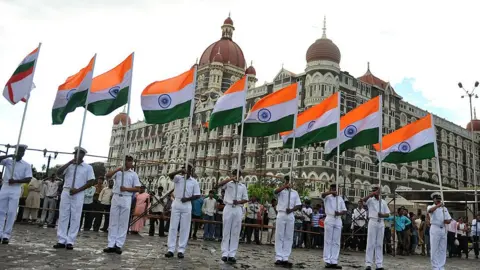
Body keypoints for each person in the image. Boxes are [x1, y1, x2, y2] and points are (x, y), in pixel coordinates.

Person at [54, 147, 95, 250]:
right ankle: (61, 240)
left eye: (78, 154)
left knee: (75, 216)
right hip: (66, 191)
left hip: (78, 193)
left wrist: (78, 190)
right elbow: (58, 172)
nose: (76, 156)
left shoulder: (88, 167)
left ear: (82, 155)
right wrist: (69, 163)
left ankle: (70, 241)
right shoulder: (69, 165)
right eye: (75, 154)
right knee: (63, 215)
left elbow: (91, 182)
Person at [103, 155, 141, 254]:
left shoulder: (133, 174)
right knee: (113, 221)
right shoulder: (118, 172)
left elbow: (137, 188)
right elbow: (107, 176)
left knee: (123, 222)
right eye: (127, 161)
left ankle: (119, 244)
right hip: (116, 196)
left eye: (130, 161)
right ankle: (111, 244)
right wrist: (117, 170)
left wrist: (126, 189)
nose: (129, 163)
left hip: (126, 197)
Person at [165, 163, 201, 259]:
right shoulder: (178, 178)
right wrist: (180, 172)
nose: (187, 170)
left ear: (191, 171)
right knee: (173, 227)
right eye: (185, 168)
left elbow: (198, 195)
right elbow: (170, 175)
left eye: (189, 169)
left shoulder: (194, 181)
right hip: (177, 202)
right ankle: (171, 249)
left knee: (185, 227)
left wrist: (188, 199)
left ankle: (181, 250)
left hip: (186, 204)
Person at [0, 145, 32, 244]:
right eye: (18, 151)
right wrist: (9, 155)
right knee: (1, 211)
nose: (20, 153)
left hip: (16, 187)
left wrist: (16, 181)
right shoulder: (8, 161)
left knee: (11, 212)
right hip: (5, 186)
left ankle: (6, 235)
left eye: (22, 152)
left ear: (24, 153)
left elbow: (28, 178)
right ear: (15, 151)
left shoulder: (26, 165)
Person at [216, 169, 248, 263]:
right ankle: (225, 253)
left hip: (238, 208)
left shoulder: (242, 186)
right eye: (234, 174)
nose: (236, 176)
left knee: (235, 231)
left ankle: (232, 254)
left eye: (238, 175)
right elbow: (219, 185)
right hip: (228, 207)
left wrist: (238, 201)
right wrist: (230, 179)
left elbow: (246, 199)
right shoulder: (228, 184)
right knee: (226, 230)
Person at [273, 175, 302, 268]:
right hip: (281, 213)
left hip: (290, 215)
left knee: (288, 237)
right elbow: (275, 192)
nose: (289, 183)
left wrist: (292, 209)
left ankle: (285, 257)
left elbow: (298, 204)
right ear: (284, 181)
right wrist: (285, 187)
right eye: (287, 181)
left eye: (290, 181)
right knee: (279, 235)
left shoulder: (295, 193)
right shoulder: (281, 191)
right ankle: (278, 257)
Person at [362, 185, 390, 270]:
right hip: (373, 221)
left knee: (379, 244)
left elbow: (388, 214)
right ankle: (368, 264)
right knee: (370, 243)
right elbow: (363, 201)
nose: (375, 192)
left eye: (376, 190)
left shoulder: (383, 202)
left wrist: (382, 215)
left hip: (380, 222)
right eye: (373, 190)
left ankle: (379, 264)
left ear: (380, 191)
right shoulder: (370, 200)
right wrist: (371, 194)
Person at [322, 183, 347, 269]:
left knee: (336, 241)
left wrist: (339, 213)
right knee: (328, 240)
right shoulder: (327, 197)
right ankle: (327, 260)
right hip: (330, 217)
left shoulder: (340, 199)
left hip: (338, 219)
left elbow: (344, 210)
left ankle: (334, 260)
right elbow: (322, 195)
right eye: (332, 188)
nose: (334, 190)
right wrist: (330, 192)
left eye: (335, 188)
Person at [428, 192, 452, 270]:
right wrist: (438, 206)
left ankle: (441, 266)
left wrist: (447, 221)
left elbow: (449, 219)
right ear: (433, 200)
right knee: (434, 248)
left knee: (442, 248)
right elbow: (430, 211)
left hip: (443, 228)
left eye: (439, 199)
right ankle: (435, 266)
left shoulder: (444, 209)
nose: (438, 201)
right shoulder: (431, 206)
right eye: (437, 199)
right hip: (435, 228)